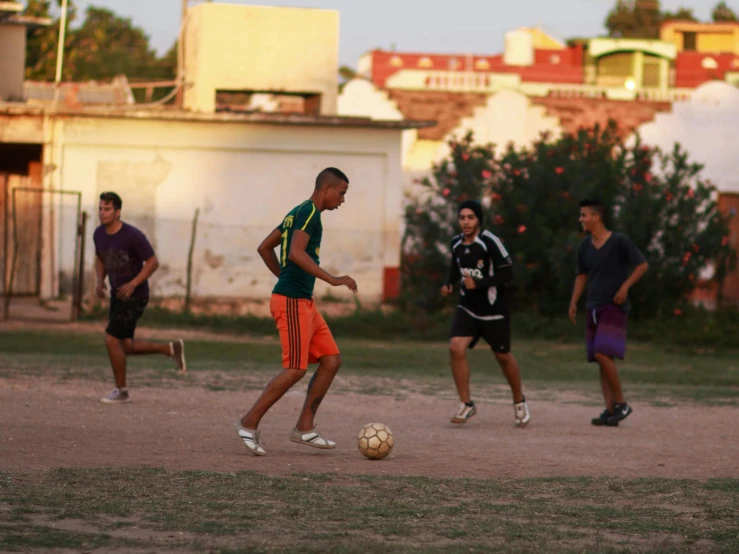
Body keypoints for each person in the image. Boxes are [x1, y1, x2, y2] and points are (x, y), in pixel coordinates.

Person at [232, 167, 357, 456]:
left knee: (331, 359)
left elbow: (265, 247)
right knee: (296, 369)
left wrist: (284, 277)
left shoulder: (297, 212)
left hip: (303, 301)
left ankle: (304, 427)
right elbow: (296, 254)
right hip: (291, 301)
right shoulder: (310, 214)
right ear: (326, 189)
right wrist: (334, 279)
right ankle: (247, 423)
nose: (342, 199)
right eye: (342, 193)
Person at [441, 199, 531, 427]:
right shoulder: (456, 243)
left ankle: (519, 401)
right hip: (467, 308)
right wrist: (449, 283)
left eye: (470, 217)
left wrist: (480, 283)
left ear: (479, 219)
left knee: (503, 357)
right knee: (455, 347)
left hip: (493, 310)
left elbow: (508, 274)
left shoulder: (490, 242)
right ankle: (466, 404)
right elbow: (455, 268)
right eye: (462, 218)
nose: (466, 222)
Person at [93, 191, 186, 404]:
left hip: (135, 295)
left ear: (118, 212)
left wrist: (133, 284)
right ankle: (170, 349)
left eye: (107, 209)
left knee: (111, 339)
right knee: (124, 345)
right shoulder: (98, 234)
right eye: (100, 208)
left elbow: (153, 262)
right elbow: (100, 258)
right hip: (118, 294)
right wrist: (100, 282)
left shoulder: (132, 235)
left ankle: (121, 390)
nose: (102, 213)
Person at [568, 199, 648, 427]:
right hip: (593, 305)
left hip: (614, 305)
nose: (581, 219)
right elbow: (582, 275)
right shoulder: (585, 246)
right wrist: (574, 301)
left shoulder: (619, 241)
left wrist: (625, 287)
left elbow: (642, 265)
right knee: (600, 358)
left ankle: (621, 403)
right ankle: (611, 409)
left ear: (597, 217)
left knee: (603, 353)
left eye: (584, 215)